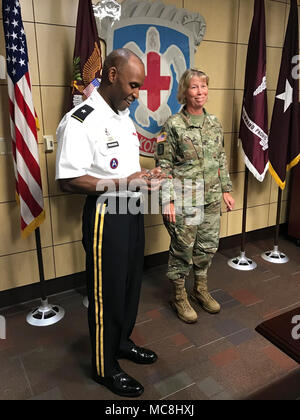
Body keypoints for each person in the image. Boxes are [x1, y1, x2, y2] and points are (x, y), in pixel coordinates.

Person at [56, 48, 166, 398]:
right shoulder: (81, 119)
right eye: (134, 85)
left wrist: (146, 177)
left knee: (131, 284)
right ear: (113, 74)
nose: (137, 94)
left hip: (131, 211)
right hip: (106, 215)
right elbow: (69, 180)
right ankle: (104, 368)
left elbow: (123, 168)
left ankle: (120, 343)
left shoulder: (121, 116)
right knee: (107, 293)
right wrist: (126, 183)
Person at [154, 68, 235, 324]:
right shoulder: (173, 125)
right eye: (194, 87)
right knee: (183, 249)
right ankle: (178, 296)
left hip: (210, 198)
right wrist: (167, 199)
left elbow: (220, 158)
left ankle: (200, 289)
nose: (200, 92)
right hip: (185, 199)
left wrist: (225, 189)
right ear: (184, 92)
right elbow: (163, 165)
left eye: (203, 86)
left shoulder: (214, 123)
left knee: (207, 247)